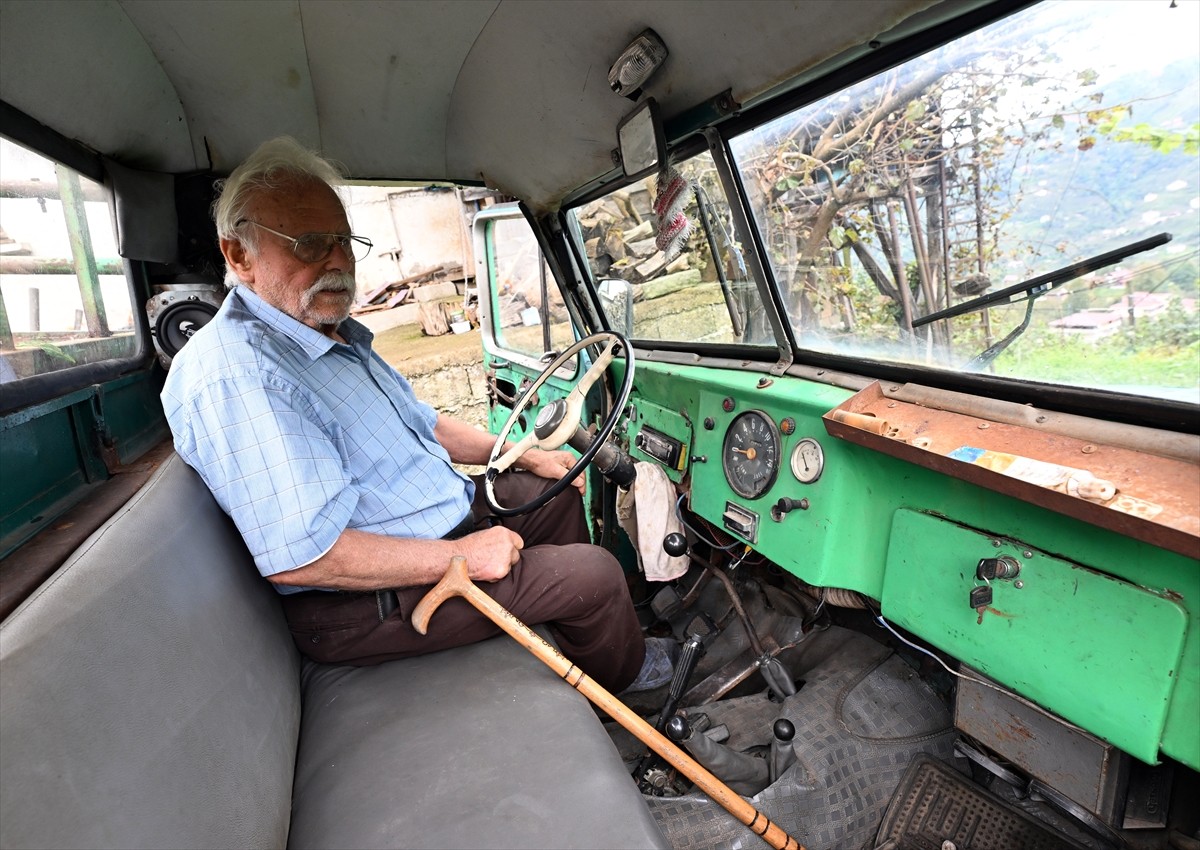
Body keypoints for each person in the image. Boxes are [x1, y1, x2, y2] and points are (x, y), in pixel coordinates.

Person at [161, 137, 675, 694]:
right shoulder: (238, 374)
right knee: (594, 576)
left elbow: (422, 424)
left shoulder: (325, 336)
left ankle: (583, 644)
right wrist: (460, 555)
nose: (335, 260)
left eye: (342, 241)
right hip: (362, 604)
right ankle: (629, 684)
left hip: (436, 523)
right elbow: (304, 557)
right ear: (239, 255)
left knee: (548, 496)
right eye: (309, 244)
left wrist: (519, 451)